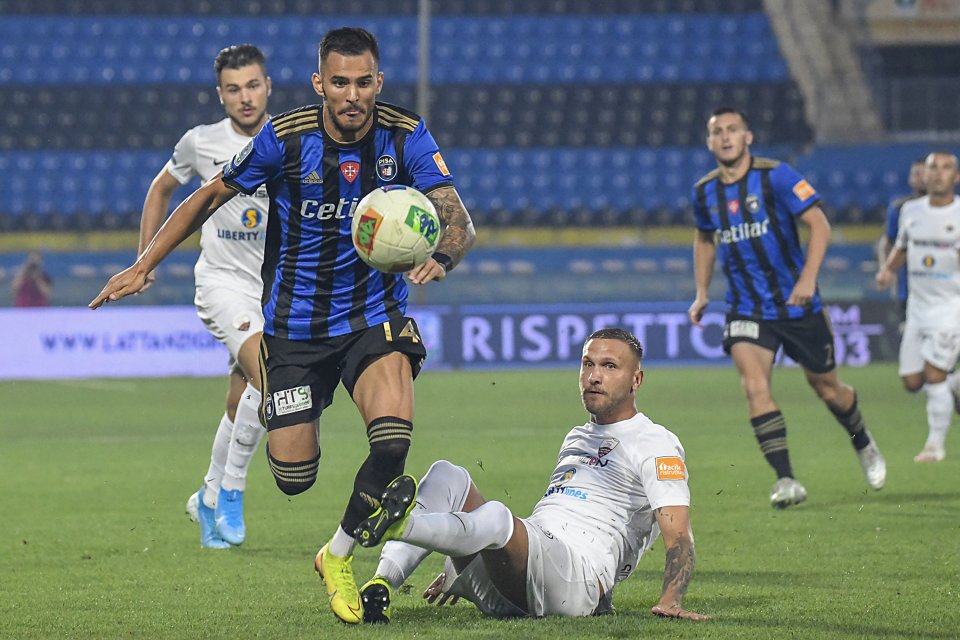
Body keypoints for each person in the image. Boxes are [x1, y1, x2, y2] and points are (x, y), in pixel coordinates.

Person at [90, 27, 475, 624]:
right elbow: (207, 195)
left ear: (379, 81)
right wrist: (144, 265)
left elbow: (457, 218)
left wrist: (443, 255)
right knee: (294, 474)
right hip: (295, 328)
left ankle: (340, 553)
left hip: (374, 316)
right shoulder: (284, 138)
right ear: (319, 82)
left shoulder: (406, 133)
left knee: (393, 439)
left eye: (364, 82)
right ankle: (293, 489)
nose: (353, 95)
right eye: (339, 82)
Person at [353, 328, 709, 624]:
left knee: (494, 516)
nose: (594, 376)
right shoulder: (578, 436)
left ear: (637, 379)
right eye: (587, 364)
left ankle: (405, 525)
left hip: (577, 579)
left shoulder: (655, 442)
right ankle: (382, 583)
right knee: (448, 474)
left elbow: (678, 534)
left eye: (609, 366)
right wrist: (470, 557)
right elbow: (554, 517)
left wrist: (671, 599)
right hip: (524, 576)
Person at [687, 107, 886, 508]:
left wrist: (808, 279)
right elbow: (705, 239)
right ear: (709, 142)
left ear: (748, 137)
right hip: (746, 307)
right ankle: (786, 479)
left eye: (733, 130)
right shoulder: (705, 191)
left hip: (797, 305)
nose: (725, 137)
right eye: (717, 132)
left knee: (828, 389)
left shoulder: (775, 175)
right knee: (754, 386)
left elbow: (820, 223)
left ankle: (862, 441)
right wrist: (702, 292)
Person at [137, 44, 272, 549]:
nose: (245, 97)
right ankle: (231, 491)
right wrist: (145, 258)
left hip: (272, 289)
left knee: (244, 396)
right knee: (268, 373)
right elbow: (160, 189)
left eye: (253, 85)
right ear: (221, 94)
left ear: (268, 87)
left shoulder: (287, 138)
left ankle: (207, 493)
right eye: (234, 89)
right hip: (221, 284)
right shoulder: (201, 142)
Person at [876, 151, 960, 463]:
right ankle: (954, 382)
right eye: (932, 168)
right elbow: (902, 246)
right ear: (923, 176)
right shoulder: (910, 211)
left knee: (933, 374)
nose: (938, 174)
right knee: (913, 382)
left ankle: (934, 445)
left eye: (946, 168)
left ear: (956, 177)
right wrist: (887, 271)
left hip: (950, 308)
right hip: (917, 309)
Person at [876, 158, 927, 320]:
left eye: (924, 173)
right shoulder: (901, 209)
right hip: (909, 291)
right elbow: (888, 243)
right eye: (916, 174)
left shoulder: (954, 208)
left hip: (948, 292)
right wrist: (886, 270)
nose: (920, 178)